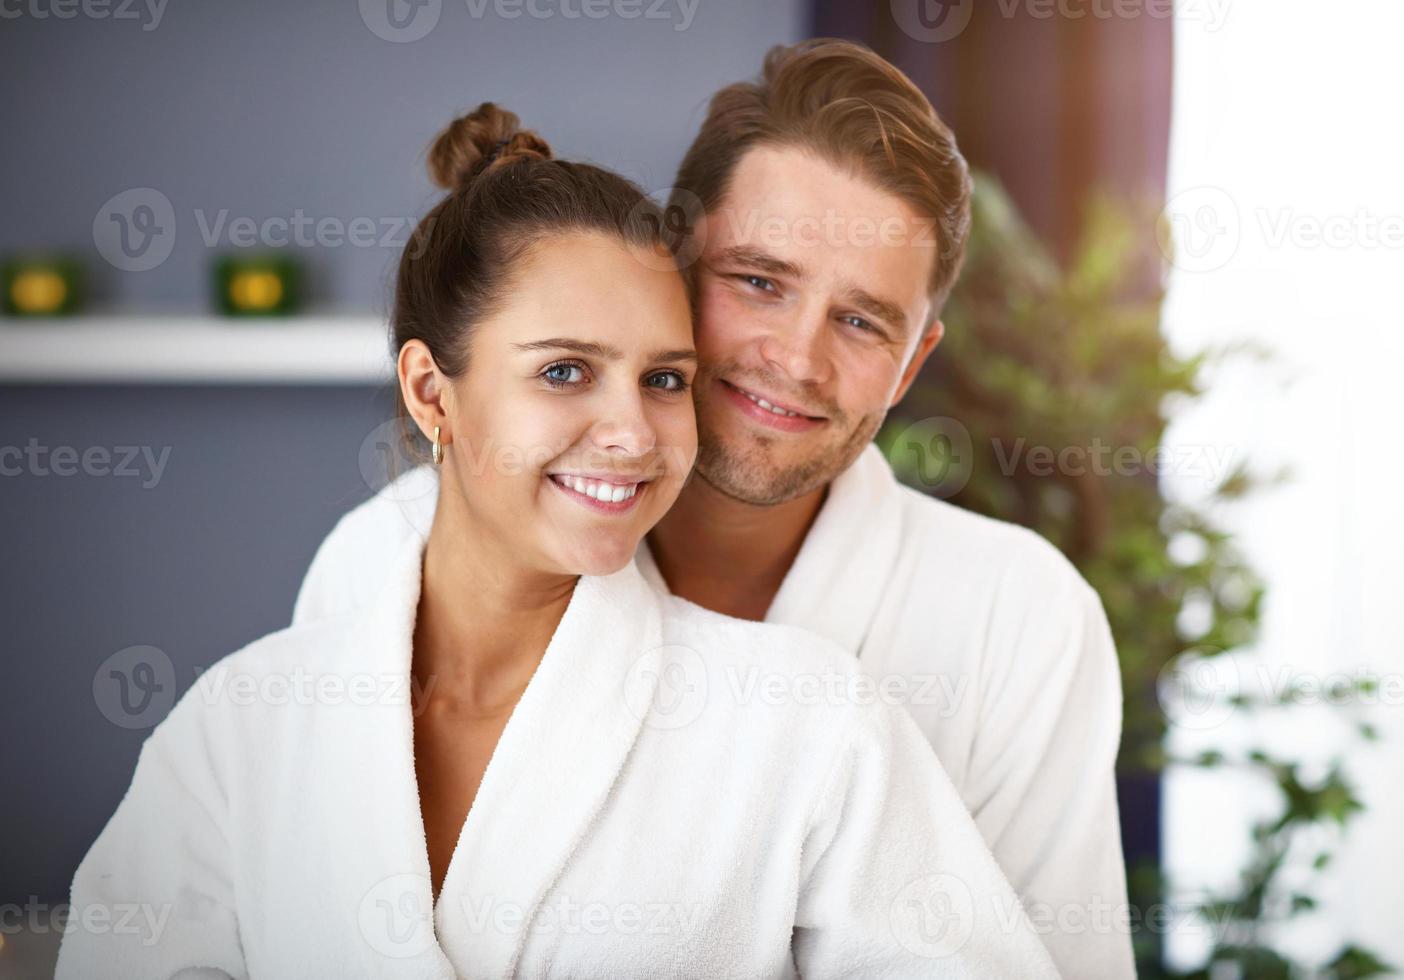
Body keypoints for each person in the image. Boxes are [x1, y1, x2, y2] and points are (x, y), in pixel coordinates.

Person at [56, 104, 1060, 979]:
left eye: (665, 378)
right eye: (566, 372)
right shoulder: (242, 729)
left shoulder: (812, 724)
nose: (631, 432)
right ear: (428, 389)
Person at [296, 40, 1136, 980]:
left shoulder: (1014, 620)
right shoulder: (389, 562)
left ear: (913, 362)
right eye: (758, 281)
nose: (797, 359)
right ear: (671, 264)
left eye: (862, 322)